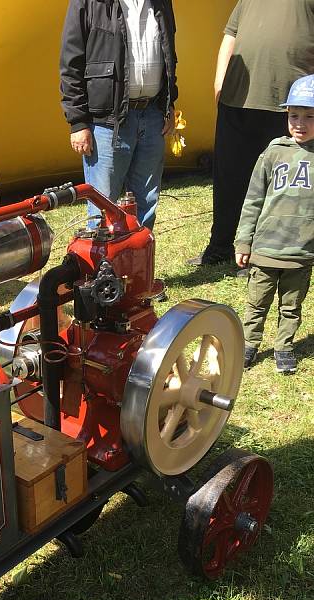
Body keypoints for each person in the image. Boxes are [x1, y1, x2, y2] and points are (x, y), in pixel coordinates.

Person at [189, 0, 314, 267]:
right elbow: (230, 36)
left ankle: (267, 253)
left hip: (289, 106)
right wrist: (219, 81)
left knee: (279, 185)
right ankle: (220, 246)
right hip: (237, 100)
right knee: (229, 180)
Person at [59, 0, 177, 230]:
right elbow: (71, 64)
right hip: (107, 123)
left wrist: (169, 104)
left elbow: (169, 54)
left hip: (152, 115)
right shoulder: (90, 3)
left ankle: (137, 264)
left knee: (146, 204)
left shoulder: (162, 2)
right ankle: (103, 265)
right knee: (103, 208)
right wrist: (78, 122)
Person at [237, 74, 314, 376]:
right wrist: (244, 242)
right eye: (294, 115)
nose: (300, 123)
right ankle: (248, 344)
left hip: (301, 252)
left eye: (310, 116)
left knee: (291, 306)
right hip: (266, 249)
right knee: (257, 303)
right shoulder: (273, 152)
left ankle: (284, 347)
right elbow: (253, 200)